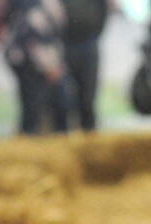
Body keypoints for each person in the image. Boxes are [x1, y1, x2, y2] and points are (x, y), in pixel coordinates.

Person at [0, 0, 68, 134]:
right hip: (31, 63)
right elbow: (30, 35)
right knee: (33, 112)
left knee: (53, 108)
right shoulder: (27, 4)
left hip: (44, 60)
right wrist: (50, 66)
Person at [59, 0, 108, 130]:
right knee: (63, 100)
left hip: (88, 43)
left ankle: (89, 137)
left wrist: (93, 33)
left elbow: (103, 12)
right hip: (65, 45)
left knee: (88, 99)